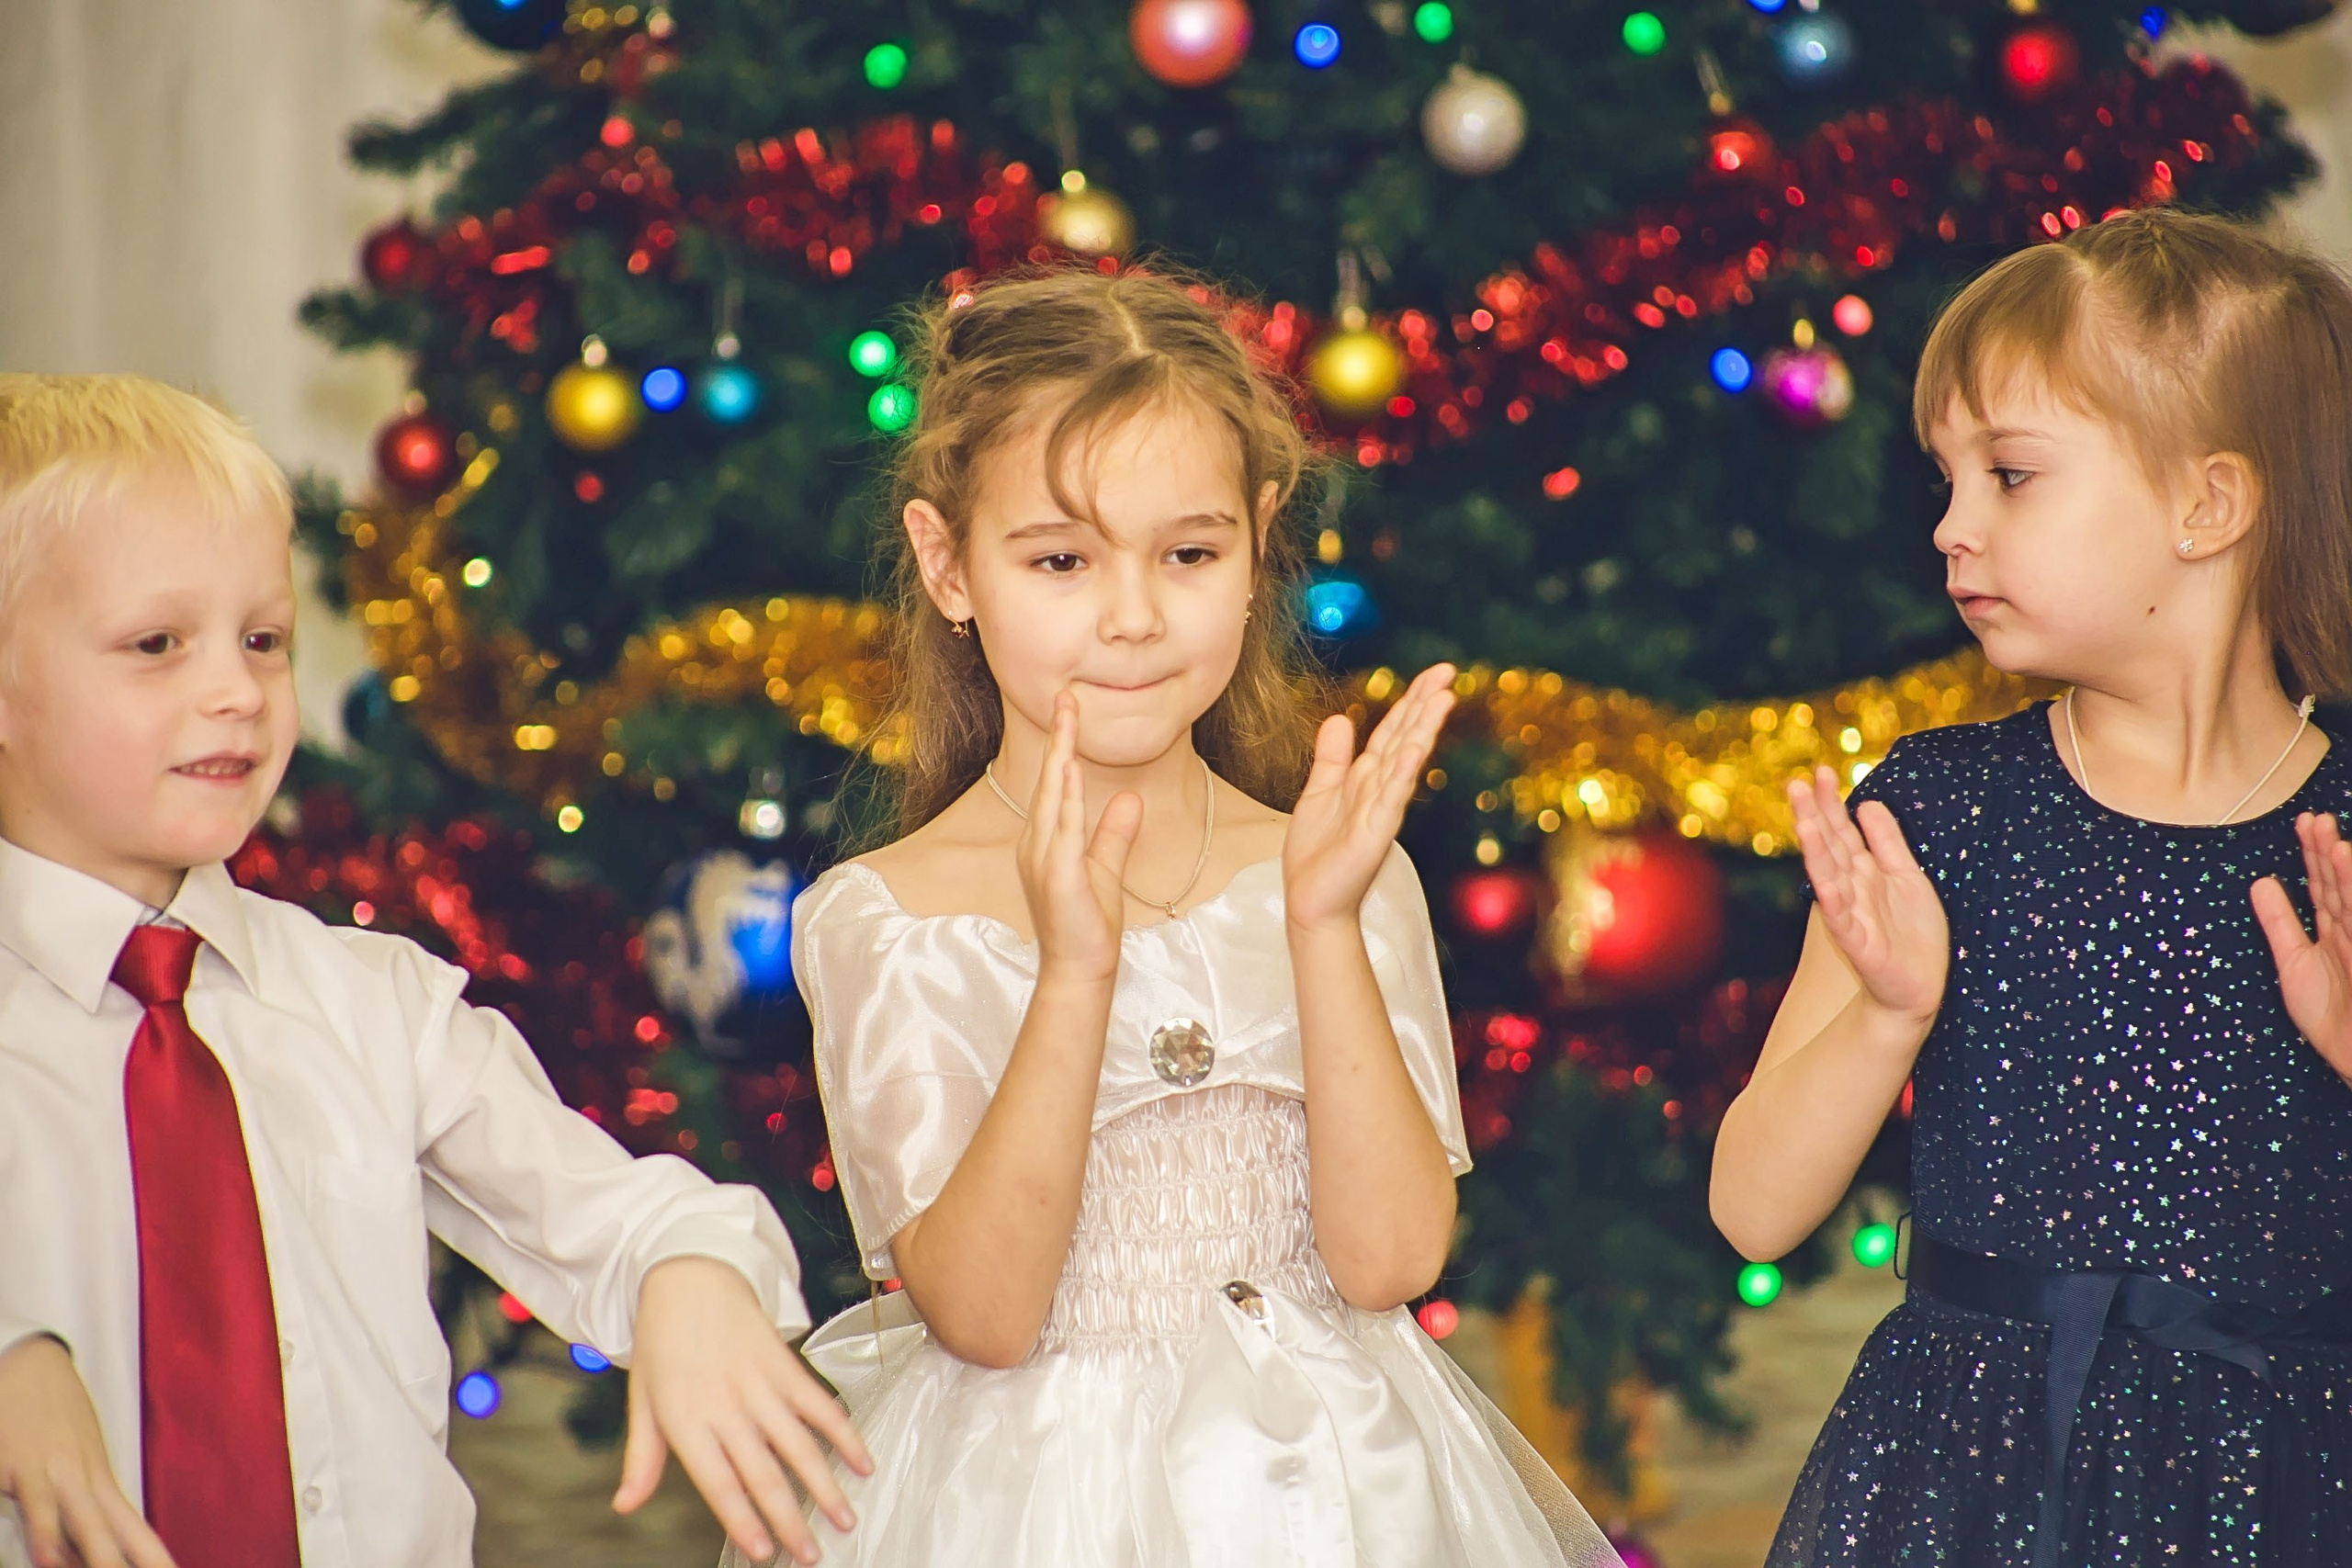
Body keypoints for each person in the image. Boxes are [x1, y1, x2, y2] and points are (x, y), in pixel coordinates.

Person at [728, 265, 1623, 1567]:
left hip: (1348, 1498)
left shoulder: (1338, 870)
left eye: (1189, 553)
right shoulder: (893, 920)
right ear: (949, 563)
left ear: (1259, 546)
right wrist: (1073, 978)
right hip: (1031, 1509)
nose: (1135, 616)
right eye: (1061, 560)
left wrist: (1322, 930)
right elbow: (981, 1312)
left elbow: (1391, 1264)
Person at [0, 373, 868, 1568]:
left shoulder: (374, 1007)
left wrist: (688, 1273)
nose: (234, 692)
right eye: (157, 644)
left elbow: (615, 1213)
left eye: (263, 640)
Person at [1712, 209, 2352, 1567]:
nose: (1949, 528)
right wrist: (1886, 1018)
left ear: (2209, 505)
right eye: (1944, 478)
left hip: (2296, 1486)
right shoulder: (1940, 812)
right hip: (1964, 1484)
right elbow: (1752, 1209)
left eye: (2010, 476)